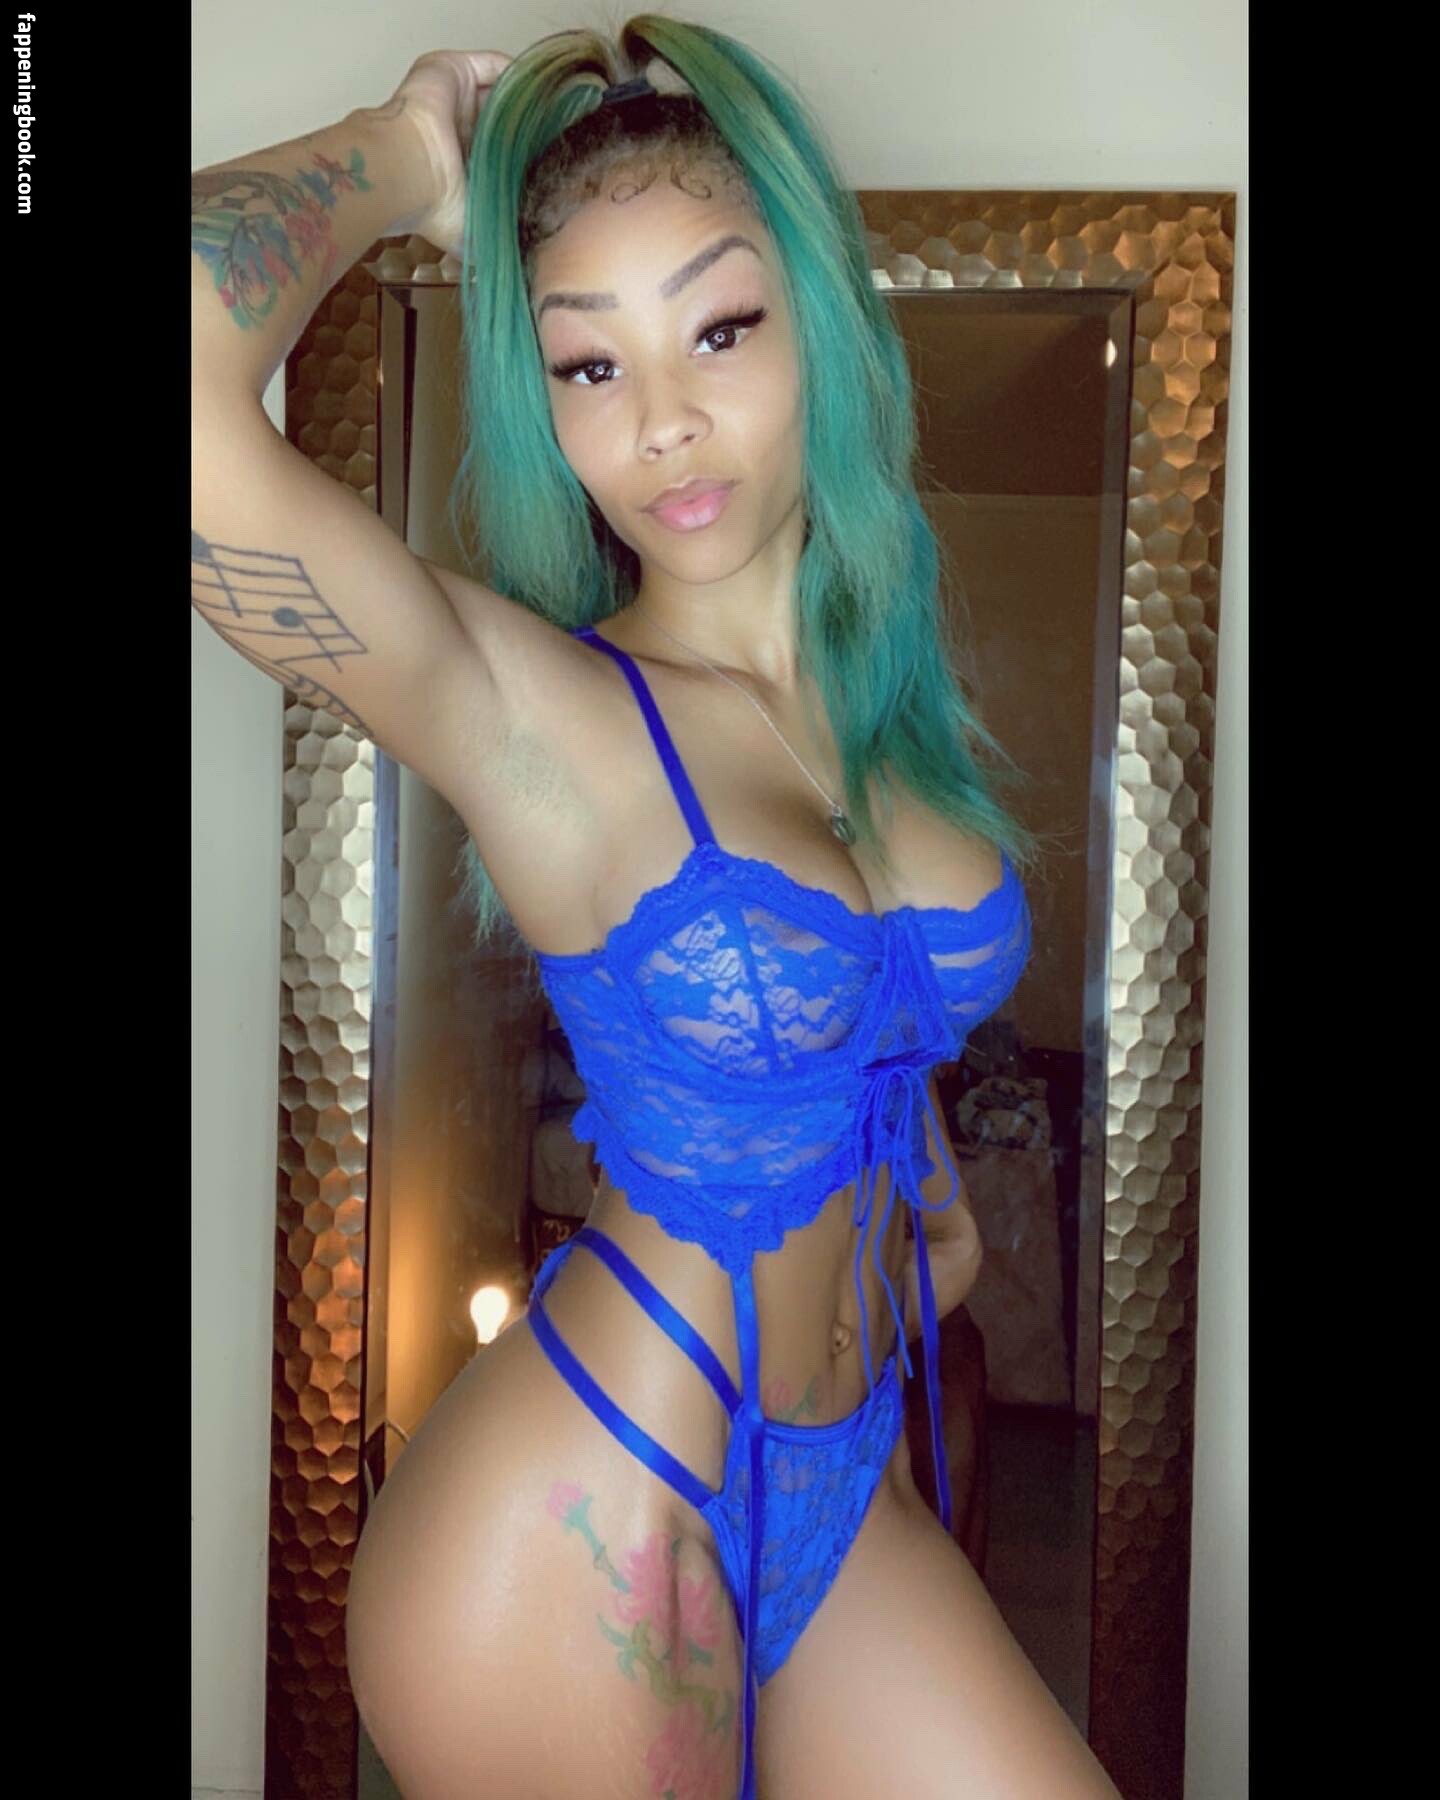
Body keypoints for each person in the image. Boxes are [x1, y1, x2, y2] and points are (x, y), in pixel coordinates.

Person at [192, 20, 1122, 1799]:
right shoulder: (545, 715)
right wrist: (405, 152)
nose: (663, 421)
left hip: (838, 1483)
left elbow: (863, 1035)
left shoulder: (889, 717)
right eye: (587, 363)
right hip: (590, 1512)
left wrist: (927, 1207)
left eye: (721, 328)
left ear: (820, 320)